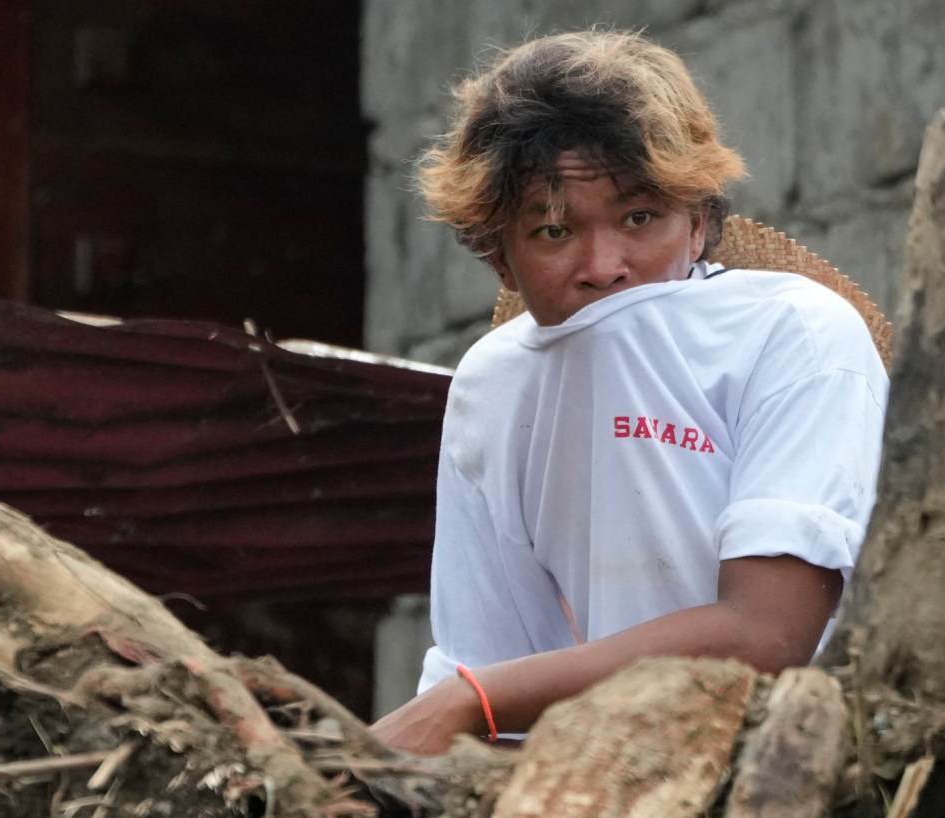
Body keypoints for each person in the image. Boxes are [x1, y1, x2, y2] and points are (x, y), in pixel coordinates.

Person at [369, 30, 889, 755]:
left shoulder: (793, 332)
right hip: (591, 780)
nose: (604, 265)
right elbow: (486, 664)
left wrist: (472, 701)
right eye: (552, 230)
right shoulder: (494, 384)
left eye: (640, 218)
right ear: (500, 258)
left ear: (700, 221)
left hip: (806, 766)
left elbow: (768, 635)